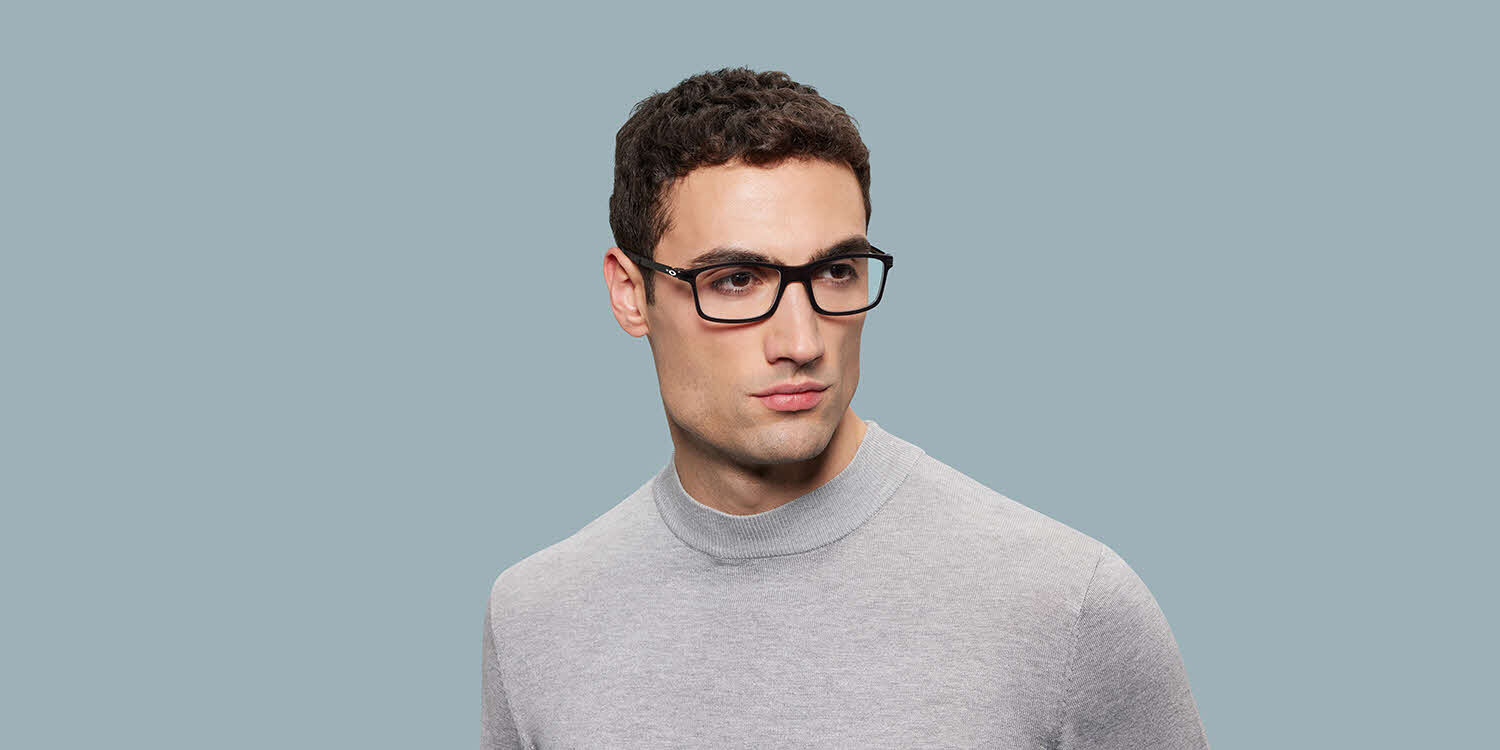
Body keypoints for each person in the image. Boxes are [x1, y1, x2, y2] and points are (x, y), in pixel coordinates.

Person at [481, 67, 1209, 749]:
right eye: (735, 279)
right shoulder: (534, 619)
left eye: (836, 271)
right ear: (629, 293)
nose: (802, 342)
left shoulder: (1068, 606)